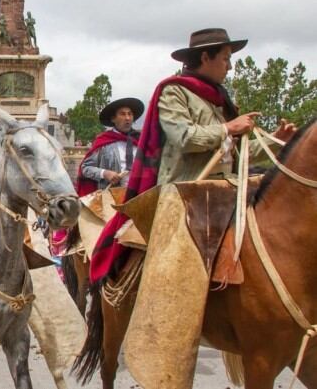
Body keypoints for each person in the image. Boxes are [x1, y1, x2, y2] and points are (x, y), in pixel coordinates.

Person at [90, 28, 297, 284]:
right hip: (187, 193)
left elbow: (238, 154)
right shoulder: (174, 92)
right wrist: (228, 128)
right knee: (175, 275)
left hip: (230, 189)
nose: (230, 66)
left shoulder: (220, 100)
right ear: (205, 58)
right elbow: (184, 138)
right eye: (225, 58)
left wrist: (275, 142)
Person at [78, 97, 143, 193]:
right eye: (122, 114)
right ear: (113, 118)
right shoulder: (103, 142)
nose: (127, 118)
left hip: (139, 194)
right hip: (111, 196)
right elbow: (85, 168)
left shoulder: (141, 140)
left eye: (130, 114)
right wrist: (104, 173)